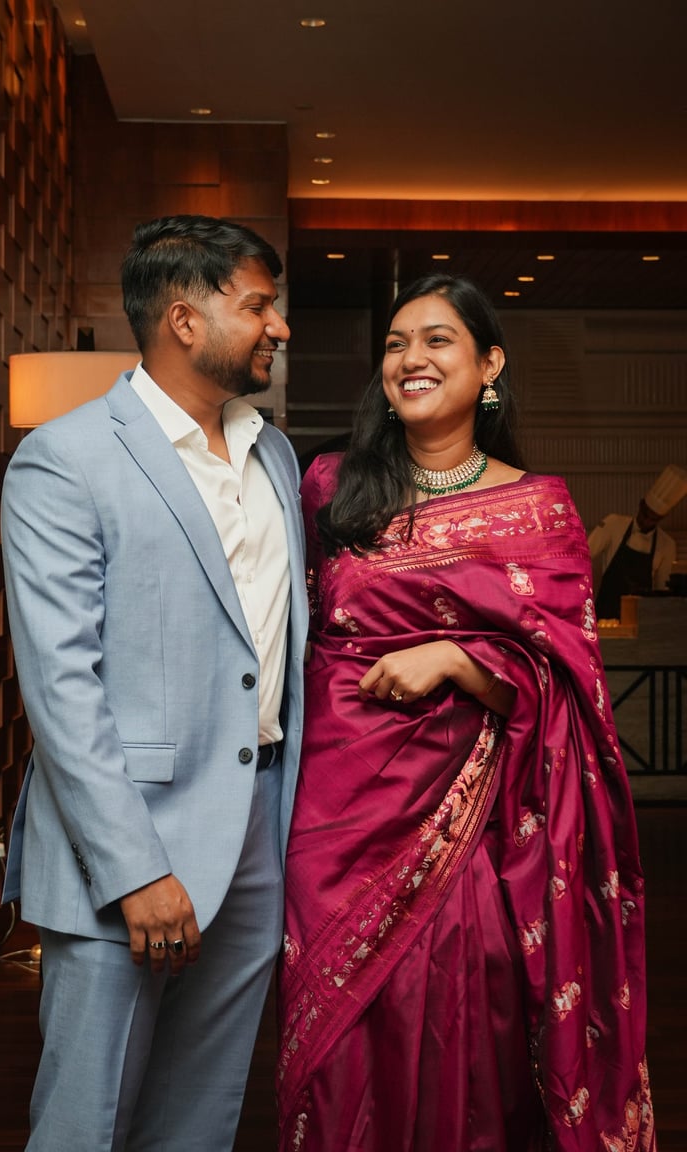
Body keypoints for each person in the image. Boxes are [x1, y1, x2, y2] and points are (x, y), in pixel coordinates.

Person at [277, 273, 655, 1152]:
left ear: (490, 365)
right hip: (335, 815)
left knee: (467, 1025)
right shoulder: (329, 486)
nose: (410, 358)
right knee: (338, 1047)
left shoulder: (539, 509)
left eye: (436, 339)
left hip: (474, 823)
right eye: (395, 343)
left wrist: (456, 659)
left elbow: (572, 686)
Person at [0, 214, 308, 1152]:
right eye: (258, 306)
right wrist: (136, 869)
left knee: (200, 1118)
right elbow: (62, 688)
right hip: (129, 844)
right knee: (87, 1123)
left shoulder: (273, 452)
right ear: (184, 318)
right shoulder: (66, 458)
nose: (278, 326)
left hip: (259, 830)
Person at [588, 464, 687, 619]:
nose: (646, 521)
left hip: (642, 619)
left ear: (661, 519)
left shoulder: (667, 545)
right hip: (605, 615)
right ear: (641, 504)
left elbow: (662, 590)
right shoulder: (614, 524)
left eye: (653, 519)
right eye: (645, 514)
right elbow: (584, 553)